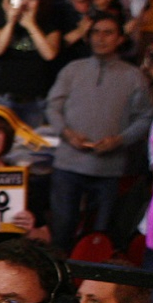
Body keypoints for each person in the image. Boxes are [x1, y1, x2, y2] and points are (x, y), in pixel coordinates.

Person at [45, 13, 150, 248]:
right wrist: (67, 133)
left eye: (108, 32)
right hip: (68, 164)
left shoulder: (133, 76)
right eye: (96, 32)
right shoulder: (73, 70)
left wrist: (120, 140)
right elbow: (53, 107)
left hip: (108, 169)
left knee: (100, 240)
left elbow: (145, 117)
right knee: (61, 233)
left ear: (120, 39)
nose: (101, 38)